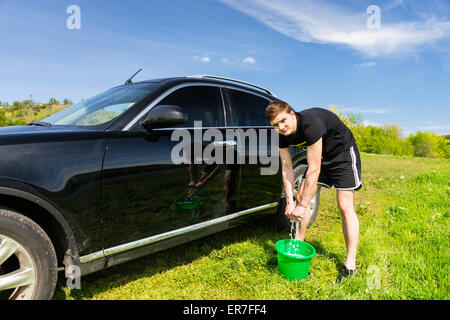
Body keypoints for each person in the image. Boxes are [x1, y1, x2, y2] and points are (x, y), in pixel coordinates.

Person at [266, 100, 362, 283]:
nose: (281, 127)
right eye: (276, 125)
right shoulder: (280, 135)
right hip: (320, 156)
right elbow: (286, 168)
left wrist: (302, 206)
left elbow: (314, 168)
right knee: (301, 195)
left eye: (283, 120)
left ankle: (350, 264)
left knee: (344, 204)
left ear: (292, 114)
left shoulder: (311, 124)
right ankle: (298, 244)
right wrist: (290, 201)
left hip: (341, 153)